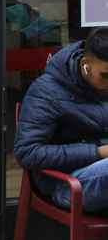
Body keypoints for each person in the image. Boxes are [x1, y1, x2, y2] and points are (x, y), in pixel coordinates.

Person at [14, 28, 108, 213]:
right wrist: (97, 152)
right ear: (86, 65)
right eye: (105, 75)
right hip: (67, 184)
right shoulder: (47, 91)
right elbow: (27, 152)